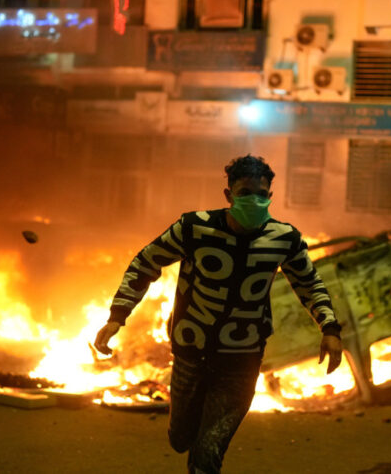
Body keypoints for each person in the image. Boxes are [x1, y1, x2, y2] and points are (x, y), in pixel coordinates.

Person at [94, 154, 343, 474]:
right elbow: (146, 262)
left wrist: (330, 329)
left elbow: (309, 283)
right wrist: (117, 315)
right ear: (228, 195)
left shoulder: (284, 238)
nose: (253, 200)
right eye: (244, 193)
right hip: (190, 352)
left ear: (270, 196)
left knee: (208, 450)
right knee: (181, 439)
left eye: (261, 194)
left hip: (243, 358)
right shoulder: (193, 227)